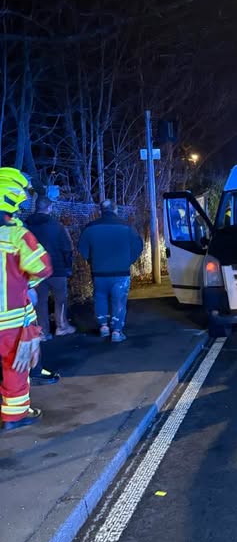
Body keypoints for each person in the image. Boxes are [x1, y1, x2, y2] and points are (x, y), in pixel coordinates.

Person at [0, 168, 52, 430]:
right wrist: (26, 283)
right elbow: (42, 267)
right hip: (10, 321)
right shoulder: (17, 236)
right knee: (15, 365)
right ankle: (14, 416)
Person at [78, 200, 143, 342]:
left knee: (100, 297)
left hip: (99, 273)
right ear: (116, 210)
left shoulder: (90, 228)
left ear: (100, 211)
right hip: (121, 273)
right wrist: (127, 261)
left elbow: (82, 248)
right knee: (119, 300)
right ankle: (117, 331)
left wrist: (92, 260)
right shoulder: (127, 227)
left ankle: (103, 327)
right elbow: (138, 246)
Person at [26, 196, 75, 338]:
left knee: (40, 302)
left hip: (36, 271)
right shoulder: (56, 226)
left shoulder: (26, 226)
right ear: (49, 208)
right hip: (57, 268)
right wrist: (68, 266)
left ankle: (43, 332)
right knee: (61, 299)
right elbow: (67, 248)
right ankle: (61, 326)